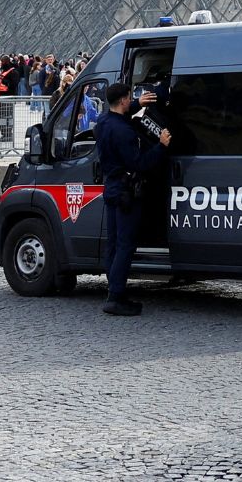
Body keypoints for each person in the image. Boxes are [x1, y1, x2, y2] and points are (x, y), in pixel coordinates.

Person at [95, 83, 170, 316]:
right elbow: (140, 163)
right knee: (126, 246)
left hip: (112, 187)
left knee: (114, 243)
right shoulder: (125, 132)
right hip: (127, 191)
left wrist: (139, 103)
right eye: (130, 98)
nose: (132, 101)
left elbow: (120, 117)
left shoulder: (102, 124)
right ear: (123, 100)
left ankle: (113, 289)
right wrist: (162, 146)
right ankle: (116, 297)